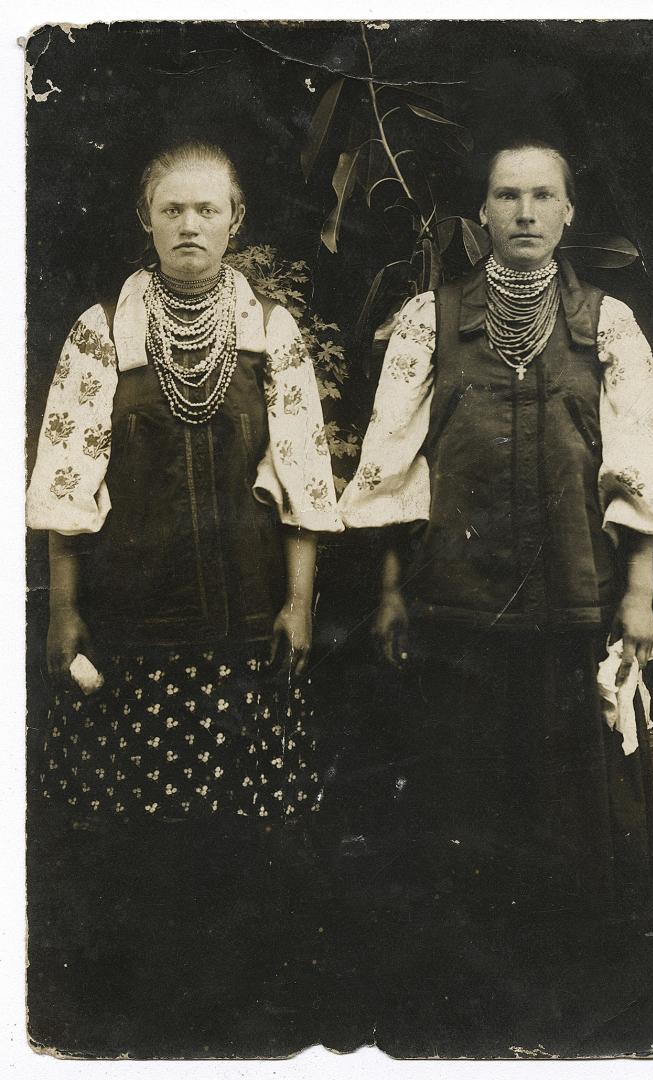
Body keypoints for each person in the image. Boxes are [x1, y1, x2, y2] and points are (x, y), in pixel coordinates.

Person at [25, 141, 342, 1050]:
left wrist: (299, 603)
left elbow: (302, 475)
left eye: (208, 210)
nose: (190, 226)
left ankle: (243, 1013)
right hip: (135, 619)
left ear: (235, 222)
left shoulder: (268, 332)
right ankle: (149, 1017)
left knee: (244, 827)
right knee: (139, 828)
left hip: (248, 616)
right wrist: (64, 608)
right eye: (173, 210)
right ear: (148, 220)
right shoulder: (102, 329)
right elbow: (67, 476)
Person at [338, 139, 653, 914]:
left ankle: (574, 972)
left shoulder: (608, 323)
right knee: (461, 799)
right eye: (506, 196)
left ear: (568, 214)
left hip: (575, 601)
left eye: (541, 196)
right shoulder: (427, 321)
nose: (524, 211)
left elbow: (637, 466)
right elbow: (395, 470)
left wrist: (636, 594)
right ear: (480, 215)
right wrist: (392, 592)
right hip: (455, 605)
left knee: (571, 805)